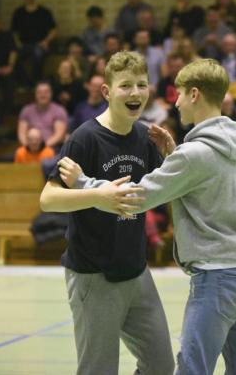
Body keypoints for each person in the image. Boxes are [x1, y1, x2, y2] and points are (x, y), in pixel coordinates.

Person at [60, 58, 236, 375]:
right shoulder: (235, 140)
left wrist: (83, 182)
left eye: (179, 94)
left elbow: (136, 199)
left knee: (191, 367)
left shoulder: (193, 153)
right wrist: (174, 156)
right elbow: (201, 181)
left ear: (194, 95)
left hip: (218, 274)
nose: (175, 101)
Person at [38, 51, 175, 375]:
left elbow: (162, 190)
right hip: (93, 275)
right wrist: (98, 194)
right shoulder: (85, 138)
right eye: (125, 85)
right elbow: (48, 199)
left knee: (161, 365)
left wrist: (171, 154)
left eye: (141, 85)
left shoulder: (146, 137)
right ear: (107, 92)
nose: (135, 93)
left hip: (136, 271)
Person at [10, 0, 57, 85]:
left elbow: (54, 30)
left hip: (41, 44)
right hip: (24, 45)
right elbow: (13, 32)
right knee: (14, 57)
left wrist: (46, 41)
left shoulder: (44, 12)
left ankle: (36, 83)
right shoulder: (18, 12)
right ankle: (25, 83)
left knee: (38, 53)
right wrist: (18, 44)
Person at [17, 81, 68, 151]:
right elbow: (21, 134)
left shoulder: (59, 110)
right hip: (29, 150)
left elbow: (59, 135)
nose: (43, 95)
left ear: (51, 94)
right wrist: (30, 148)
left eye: (46, 92)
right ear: (35, 94)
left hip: (51, 150)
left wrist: (41, 148)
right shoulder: (26, 110)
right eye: (39, 92)